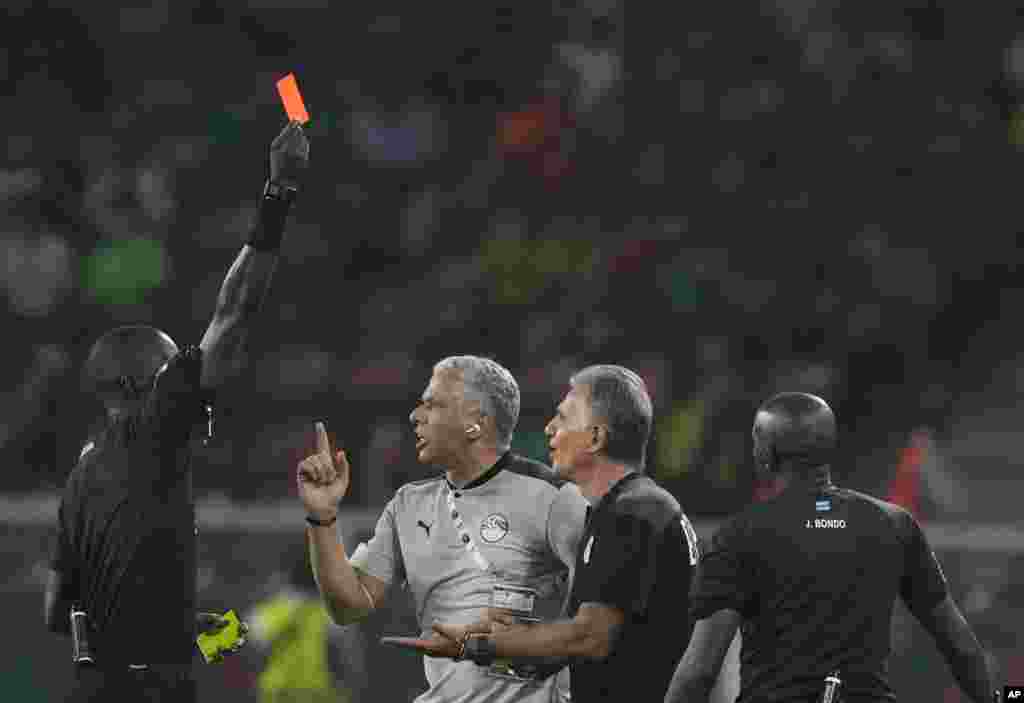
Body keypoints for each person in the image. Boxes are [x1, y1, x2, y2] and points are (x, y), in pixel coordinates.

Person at [44, 120, 310, 702]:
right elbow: (236, 310)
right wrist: (279, 193)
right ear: (145, 383)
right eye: (173, 370)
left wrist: (182, 632)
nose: (199, 391)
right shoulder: (151, 428)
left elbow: (59, 608)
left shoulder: (81, 479)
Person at [381, 364, 739, 703]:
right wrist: (482, 641)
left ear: (596, 436)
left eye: (563, 417)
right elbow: (572, 644)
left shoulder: (631, 514)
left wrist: (484, 645)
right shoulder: (629, 508)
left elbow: (590, 638)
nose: (549, 428)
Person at [663, 392, 999, 703]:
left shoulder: (738, 534)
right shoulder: (895, 524)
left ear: (766, 451)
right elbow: (959, 645)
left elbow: (699, 673)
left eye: (755, 437)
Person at [297, 355, 588, 703]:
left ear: (475, 422)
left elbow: (602, 615)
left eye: (431, 404)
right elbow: (348, 606)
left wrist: (528, 642)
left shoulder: (555, 498)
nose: (414, 416)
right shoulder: (408, 505)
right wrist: (322, 517)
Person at [247, 548, 369, 703]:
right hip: (320, 695)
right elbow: (350, 660)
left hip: (278, 695)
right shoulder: (333, 616)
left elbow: (252, 654)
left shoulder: (267, 614)